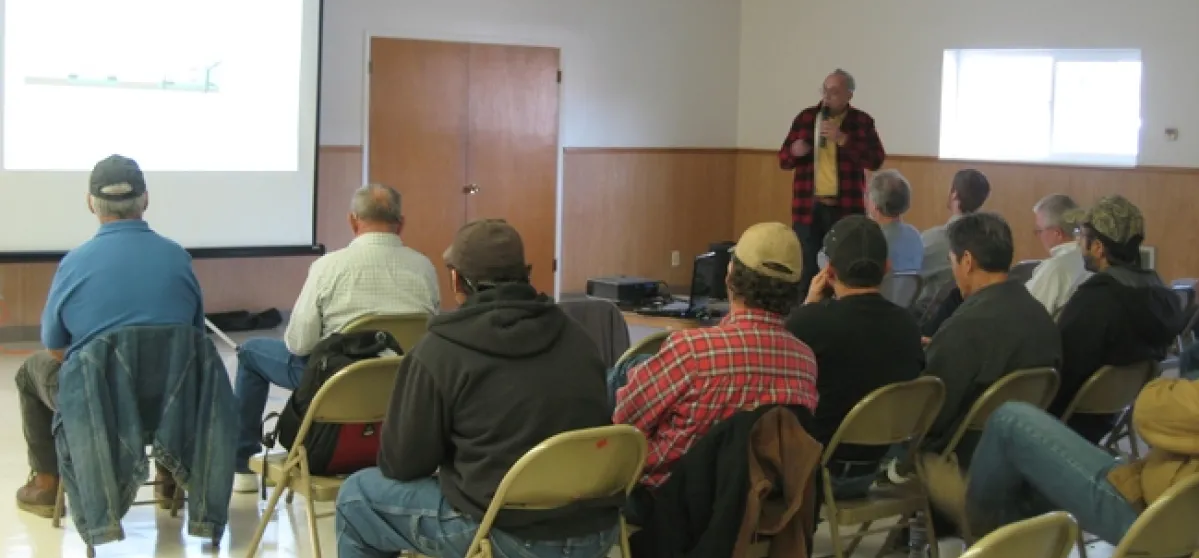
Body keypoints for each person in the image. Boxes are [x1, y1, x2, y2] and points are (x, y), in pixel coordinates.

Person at [334, 219, 617, 558]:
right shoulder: (578, 336)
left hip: (510, 535)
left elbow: (402, 465)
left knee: (357, 496)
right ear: (526, 273)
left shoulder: (440, 350)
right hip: (597, 528)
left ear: (457, 280)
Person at [16, 155, 205, 516]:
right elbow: (194, 339)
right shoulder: (178, 258)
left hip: (100, 405)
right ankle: (169, 478)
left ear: (91, 203)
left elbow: (54, 346)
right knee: (167, 362)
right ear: (145, 199)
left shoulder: (75, 263)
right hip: (170, 402)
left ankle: (45, 485)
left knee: (29, 372)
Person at [232, 184, 439, 492]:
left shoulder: (328, 267)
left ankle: (242, 467)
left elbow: (298, 344)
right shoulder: (424, 268)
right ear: (401, 222)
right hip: (399, 382)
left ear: (353, 221)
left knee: (250, 352)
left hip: (335, 384)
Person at [615, 222, 819, 488]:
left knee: (622, 374)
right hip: (756, 501)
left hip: (670, 500)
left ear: (730, 274)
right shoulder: (805, 361)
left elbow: (624, 422)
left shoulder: (691, 351)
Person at [920, 376, 1199, 547]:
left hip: (1155, 517)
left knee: (1010, 421)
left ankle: (977, 519)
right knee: (1022, 480)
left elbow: (1150, 406)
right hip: (1166, 495)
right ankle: (1001, 535)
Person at [787, 216, 925, 498]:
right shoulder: (908, 326)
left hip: (813, 474)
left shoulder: (809, 323)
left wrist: (808, 306)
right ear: (887, 268)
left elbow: (775, 364)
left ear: (829, 271)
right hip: (877, 471)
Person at [920, 212, 1061, 458]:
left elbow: (928, 413)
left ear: (967, 261)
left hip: (961, 455)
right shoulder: (1040, 316)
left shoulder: (965, 325)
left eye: (952, 261)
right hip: (1024, 449)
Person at [1050, 195, 1181, 442]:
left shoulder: (1097, 298)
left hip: (1066, 426)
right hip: (1110, 418)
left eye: (1081, 235)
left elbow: (1062, 371)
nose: (1078, 242)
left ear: (1098, 247)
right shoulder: (1163, 295)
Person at [778, 69, 886, 293]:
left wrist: (844, 140)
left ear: (849, 95)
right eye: (824, 90)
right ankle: (807, 309)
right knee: (807, 268)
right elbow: (783, 160)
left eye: (834, 92)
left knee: (844, 266)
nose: (827, 97)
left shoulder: (861, 122)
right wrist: (794, 152)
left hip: (846, 208)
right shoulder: (806, 118)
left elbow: (876, 160)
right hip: (808, 208)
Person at [914, 169, 990, 316]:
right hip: (973, 314)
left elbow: (907, 279)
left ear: (954, 194)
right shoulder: (989, 239)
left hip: (929, 317)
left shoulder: (934, 239)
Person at [1026, 194, 1089, 319]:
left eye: (1039, 231)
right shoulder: (1092, 260)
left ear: (1057, 233)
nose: (1039, 236)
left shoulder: (1055, 268)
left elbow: (1025, 314)